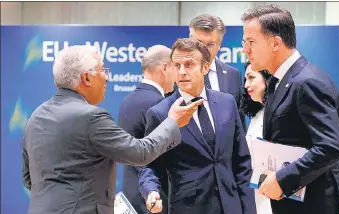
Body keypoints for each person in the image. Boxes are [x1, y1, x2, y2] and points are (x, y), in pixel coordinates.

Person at [22, 45, 203, 214]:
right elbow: (140, 153)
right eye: (102, 70)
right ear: (86, 78)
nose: (107, 77)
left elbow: (28, 179)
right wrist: (172, 122)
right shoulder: (90, 117)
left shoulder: (36, 117)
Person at [241, 4, 339, 214]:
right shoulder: (278, 81)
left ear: (275, 43)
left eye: (251, 42)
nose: (245, 49)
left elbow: (331, 147)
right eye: (244, 42)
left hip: (318, 203)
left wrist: (284, 179)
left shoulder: (307, 82)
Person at [139, 38, 256, 214]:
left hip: (231, 205)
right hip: (188, 208)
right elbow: (149, 165)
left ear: (205, 68)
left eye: (189, 64)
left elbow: (242, 163)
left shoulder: (227, 103)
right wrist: (151, 190)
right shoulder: (160, 113)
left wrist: (249, 209)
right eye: (176, 65)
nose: (181, 72)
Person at [118, 45, 174, 214]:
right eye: (175, 67)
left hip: (130, 194)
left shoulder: (126, 101)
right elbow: (162, 156)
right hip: (154, 198)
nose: (178, 75)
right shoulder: (159, 104)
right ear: (164, 68)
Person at [189, 14, 246, 128]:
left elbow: (239, 123)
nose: (203, 49)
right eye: (199, 43)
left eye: (210, 44)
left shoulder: (233, 75)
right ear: (189, 40)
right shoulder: (174, 73)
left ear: (219, 45)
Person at [239, 62, 272, 214]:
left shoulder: (278, 115)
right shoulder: (257, 116)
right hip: (256, 196)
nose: (246, 85)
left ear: (267, 79)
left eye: (251, 78)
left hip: (275, 196)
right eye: (245, 79)